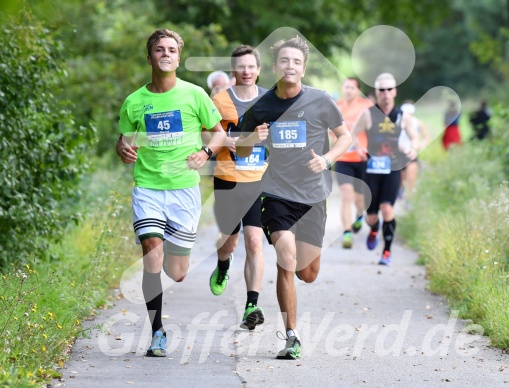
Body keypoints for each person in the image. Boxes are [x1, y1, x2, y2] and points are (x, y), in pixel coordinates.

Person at [236, 36, 351, 359]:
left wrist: (327, 160)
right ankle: (292, 336)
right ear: (274, 67)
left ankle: (294, 320)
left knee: (307, 273)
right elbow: (240, 149)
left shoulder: (321, 100)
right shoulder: (262, 106)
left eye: (297, 62)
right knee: (286, 258)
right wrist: (251, 138)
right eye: (284, 61)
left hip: (314, 196)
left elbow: (345, 137)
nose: (290, 66)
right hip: (277, 193)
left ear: (303, 68)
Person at [116, 28, 226, 357]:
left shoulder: (194, 96)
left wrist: (205, 154)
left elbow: (219, 135)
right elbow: (124, 141)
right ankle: (157, 331)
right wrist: (121, 148)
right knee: (152, 254)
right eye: (159, 49)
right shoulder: (134, 102)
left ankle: (170, 266)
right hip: (148, 188)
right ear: (149, 56)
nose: (165, 54)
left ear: (179, 57)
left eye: (172, 49)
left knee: (176, 273)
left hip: (184, 192)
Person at [208, 44, 268, 331]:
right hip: (227, 177)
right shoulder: (219, 100)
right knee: (229, 241)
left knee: (255, 241)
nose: (246, 71)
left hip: (259, 180)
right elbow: (205, 131)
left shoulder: (271, 99)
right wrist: (223, 140)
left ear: (258, 70)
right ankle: (223, 264)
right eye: (241, 67)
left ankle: (251, 304)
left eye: (251, 66)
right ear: (234, 70)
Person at [352, 73, 418, 265]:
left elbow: (414, 138)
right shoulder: (367, 114)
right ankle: (374, 229)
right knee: (371, 216)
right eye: (382, 90)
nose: (386, 93)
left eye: (389, 89)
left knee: (387, 208)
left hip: (393, 168)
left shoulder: (401, 117)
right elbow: (353, 134)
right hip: (371, 169)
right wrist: (359, 149)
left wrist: (412, 148)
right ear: (377, 92)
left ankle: (387, 252)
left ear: (395, 91)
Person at [333, 78, 373, 249]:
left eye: (352, 88)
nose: (348, 90)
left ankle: (359, 215)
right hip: (342, 159)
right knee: (346, 195)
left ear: (358, 90)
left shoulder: (367, 107)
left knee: (360, 200)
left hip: (362, 158)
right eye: (346, 87)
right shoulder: (335, 107)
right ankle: (347, 233)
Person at [398, 100, 430, 205]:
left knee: (411, 177)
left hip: (412, 153)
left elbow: (426, 137)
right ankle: (400, 191)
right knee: (401, 177)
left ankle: (408, 198)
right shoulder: (398, 122)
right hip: (399, 153)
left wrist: (420, 145)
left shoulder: (418, 123)